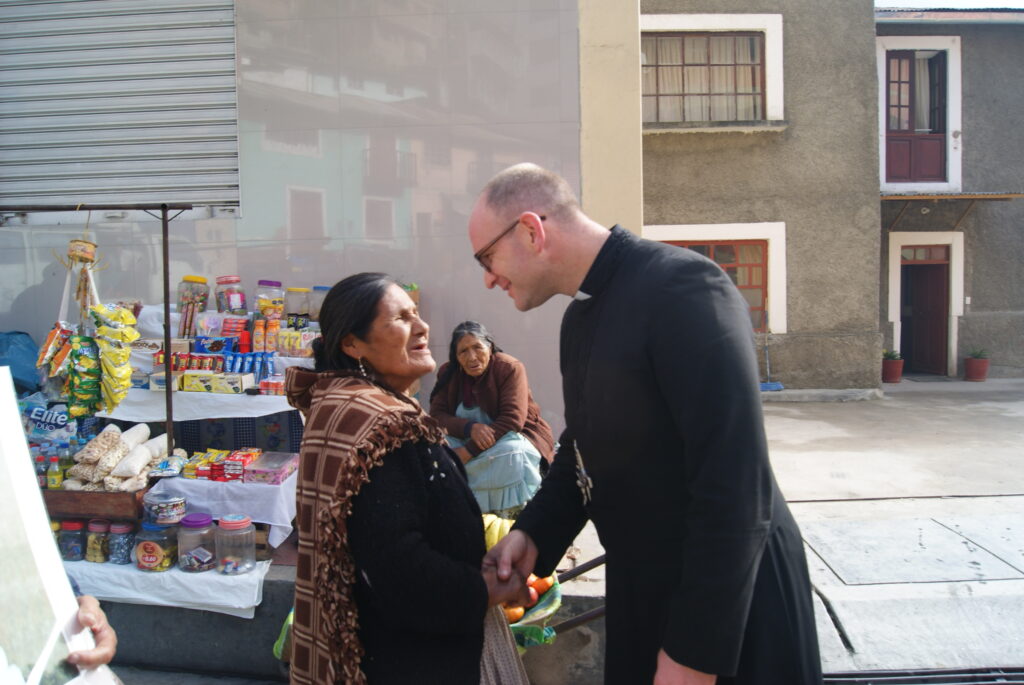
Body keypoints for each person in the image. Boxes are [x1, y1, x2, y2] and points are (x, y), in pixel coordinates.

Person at [469, 164, 823, 685]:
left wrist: (693, 656)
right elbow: (582, 450)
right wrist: (532, 535)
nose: (488, 278)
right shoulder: (578, 321)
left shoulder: (685, 289)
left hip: (727, 610)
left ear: (530, 230)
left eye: (487, 257)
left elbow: (736, 489)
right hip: (645, 592)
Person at [284, 273, 529, 685]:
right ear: (352, 344)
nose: (422, 327)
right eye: (400, 319)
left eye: (416, 314)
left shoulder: (343, 404)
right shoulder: (381, 426)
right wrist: (487, 589)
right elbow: (403, 570)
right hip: (410, 658)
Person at [429, 321, 554, 518]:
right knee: (436, 451)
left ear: (490, 347)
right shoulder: (448, 372)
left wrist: (468, 451)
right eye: (463, 351)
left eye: (477, 347)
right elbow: (437, 416)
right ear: (456, 357)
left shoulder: (509, 367)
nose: (472, 357)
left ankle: (512, 514)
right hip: (463, 436)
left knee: (512, 454)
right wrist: (470, 428)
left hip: (507, 436)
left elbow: (512, 420)